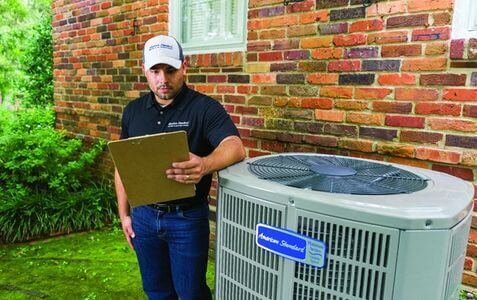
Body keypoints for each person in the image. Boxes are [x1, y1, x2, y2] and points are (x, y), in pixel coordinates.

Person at [114, 35, 245, 300]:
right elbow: (122, 166)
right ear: (145, 70)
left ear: (184, 66)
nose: (163, 79)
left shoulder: (204, 108)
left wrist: (206, 164)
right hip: (144, 218)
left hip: (186, 219)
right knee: (156, 291)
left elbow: (236, 146)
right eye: (155, 71)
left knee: (191, 293)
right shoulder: (133, 111)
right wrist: (124, 214)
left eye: (170, 70)